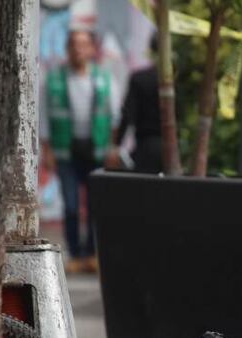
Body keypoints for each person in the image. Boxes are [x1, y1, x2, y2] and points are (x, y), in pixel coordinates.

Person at [40, 28, 120, 272]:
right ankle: (74, 254)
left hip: (96, 151)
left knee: (97, 205)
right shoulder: (53, 80)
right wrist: (47, 150)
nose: (78, 49)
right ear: (67, 49)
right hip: (66, 152)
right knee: (72, 206)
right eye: (74, 45)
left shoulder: (105, 79)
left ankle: (92, 254)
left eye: (83, 45)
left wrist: (112, 147)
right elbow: (44, 117)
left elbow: (114, 116)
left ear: (91, 49)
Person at [110, 34, 162, 174]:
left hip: (146, 147)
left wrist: (116, 145)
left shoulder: (140, 79)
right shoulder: (181, 80)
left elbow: (128, 114)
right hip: (176, 148)